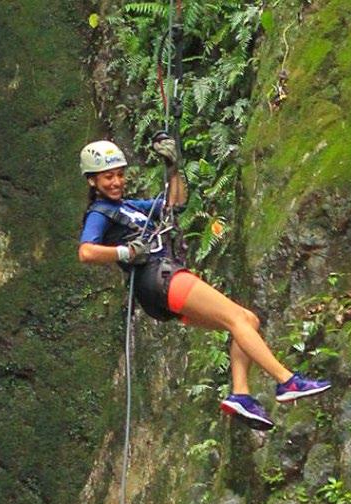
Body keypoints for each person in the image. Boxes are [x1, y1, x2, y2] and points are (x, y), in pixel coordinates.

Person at [77, 138, 331, 431]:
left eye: (120, 175)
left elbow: (175, 204)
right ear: (93, 181)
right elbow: (86, 252)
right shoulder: (99, 213)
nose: (116, 182)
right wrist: (126, 252)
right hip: (159, 277)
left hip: (159, 285)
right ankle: (287, 381)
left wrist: (173, 167)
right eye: (108, 177)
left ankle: (241, 395)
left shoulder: (130, 206)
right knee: (237, 319)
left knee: (247, 320)